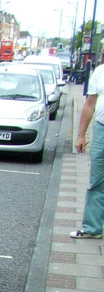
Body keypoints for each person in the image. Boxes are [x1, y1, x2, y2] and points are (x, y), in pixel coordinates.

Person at [73, 63, 104, 239]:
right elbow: (89, 104)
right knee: (97, 181)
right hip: (102, 129)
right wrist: (81, 135)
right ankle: (93, 228)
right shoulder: (100, 71)